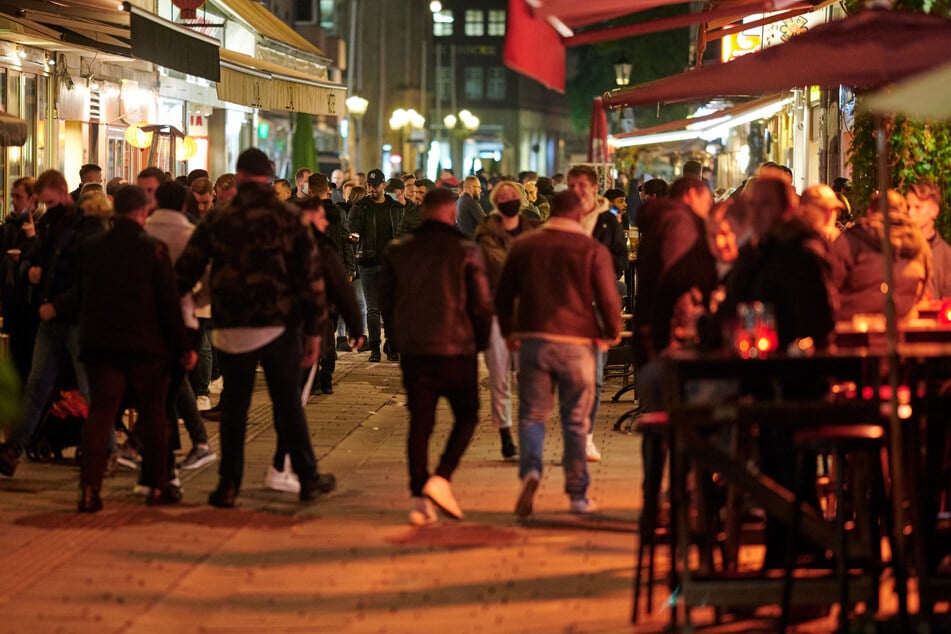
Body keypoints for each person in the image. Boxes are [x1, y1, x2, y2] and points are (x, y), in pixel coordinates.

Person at [175, 148, 333, 507]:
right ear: (270, 174)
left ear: (239, 175)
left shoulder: (219, 219)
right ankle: (307, 477)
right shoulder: (289, 217)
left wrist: (177, 318)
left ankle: (228, 484)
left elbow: (185, 271)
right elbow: (311, 279)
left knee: (234, 407)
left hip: (231, 325)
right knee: (287, 404)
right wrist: (314, 331)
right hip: (280, 324)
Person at [496, 190, 621, 516]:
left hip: (535, 339)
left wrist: (509, 331)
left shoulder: (525, 245)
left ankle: (532, 471)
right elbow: (609, 299)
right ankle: (578, 494)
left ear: (551, 212)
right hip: (578, 343)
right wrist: (612, 332)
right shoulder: (591, 249)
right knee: (576, 420)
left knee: (533, 414)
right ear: (580, 215)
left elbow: (503, 294)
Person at [76, 185, 196, 512]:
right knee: (154, 414)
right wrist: (183, 344)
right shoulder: (152, 250)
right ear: (143, 212)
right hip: (146, 346)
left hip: (101, 343)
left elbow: (81, 292)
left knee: (101, 414)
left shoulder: (92, 247)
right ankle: (157, 484)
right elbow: (168, 301)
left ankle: (90, 488)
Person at [380, 188, 493, 525]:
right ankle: (441, 476)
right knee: (468, 414)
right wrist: (482, 343)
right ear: (450, 214)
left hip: (415, 350)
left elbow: (386, 301)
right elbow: (482, 305)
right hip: (457, 349)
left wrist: (397, 339)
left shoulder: (398, 250)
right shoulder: (466, 250)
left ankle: (419, 497)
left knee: (420, 424)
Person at [0, 170, 108, 476]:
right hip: (49, 318)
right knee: (37, 386)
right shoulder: (48, 223)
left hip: (73, 320)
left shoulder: (87, 226)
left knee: (88, 388)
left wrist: (57, 306)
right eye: (43, 203)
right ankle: (14, 449)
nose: (46, 207)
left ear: (62, 193)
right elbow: (35, 257)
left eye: (49, 201)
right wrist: (30, 270)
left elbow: (87, 279)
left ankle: (107, 449)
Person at [266, 197, 365, 494]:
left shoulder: (276, 243)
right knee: (295, 402)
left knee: (287, 401)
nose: (325, 223)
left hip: (274, 331)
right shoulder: (316, 247)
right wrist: (356, 327)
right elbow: (338, 286)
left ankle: (285, 466)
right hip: (304, 332)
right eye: (321, 218)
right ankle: (284, 467)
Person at [144, 181, 216, 471]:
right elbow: (211, 276)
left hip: (149, 318)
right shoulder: (190, 234)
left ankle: (162, 450)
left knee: (167, 382)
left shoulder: (144, 232)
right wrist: (195, 300)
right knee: (174, 380)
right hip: (186, 318)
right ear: (185, 205)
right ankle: (192, 444)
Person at [475, 180, 541, 460]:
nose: (508, 199)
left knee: (527, 377)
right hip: (496, 312)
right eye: (503, 196)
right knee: (500, 376)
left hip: (528, 313)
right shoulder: (485, 235)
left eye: (512, 195)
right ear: (495, 202)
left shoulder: (533, 231)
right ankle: (505, 431)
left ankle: (527, 431)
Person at [567, 164, 626, 462]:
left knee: (595, 373)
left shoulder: (608, 221)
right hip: (567, 304)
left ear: (593, 187)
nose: (577, 190)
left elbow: (620, 259)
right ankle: (573, 432)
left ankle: (586, 435)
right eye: (572, 185)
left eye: (582, 185)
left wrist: (601, 275)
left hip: (598, 303)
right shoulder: (563, 219)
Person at [830, 190, 930, 321]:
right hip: (903, 321)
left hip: (855, 326)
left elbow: (832, 282)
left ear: (870, 212)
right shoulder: (920, 242)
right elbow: (924, 286)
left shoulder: (850, 239)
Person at [347, 168, 404, 363]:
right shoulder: (360, 207)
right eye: (369, 185)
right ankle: (374, 348)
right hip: (368, 263)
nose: (371, 188)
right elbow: (352, 230)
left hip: (391, 265)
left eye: (375, 185)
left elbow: (403, 232)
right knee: (372, 308)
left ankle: (391, 345)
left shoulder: (395, 208)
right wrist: (354, 237)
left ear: (383, 185)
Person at [1, 177, 41, 384]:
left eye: (19, 197)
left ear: (33, 199)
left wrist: (31, 240)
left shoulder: (42, 225)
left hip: (30, 303)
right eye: (12, 196)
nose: (14, 201)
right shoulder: (8, 226)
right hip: (11, 299)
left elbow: (43, 261)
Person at [906, 181, 951, 299]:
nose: (910, 213)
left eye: (918, 207)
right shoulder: (897, 249)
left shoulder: (946, 256)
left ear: (934, 211)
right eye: (908, 207)